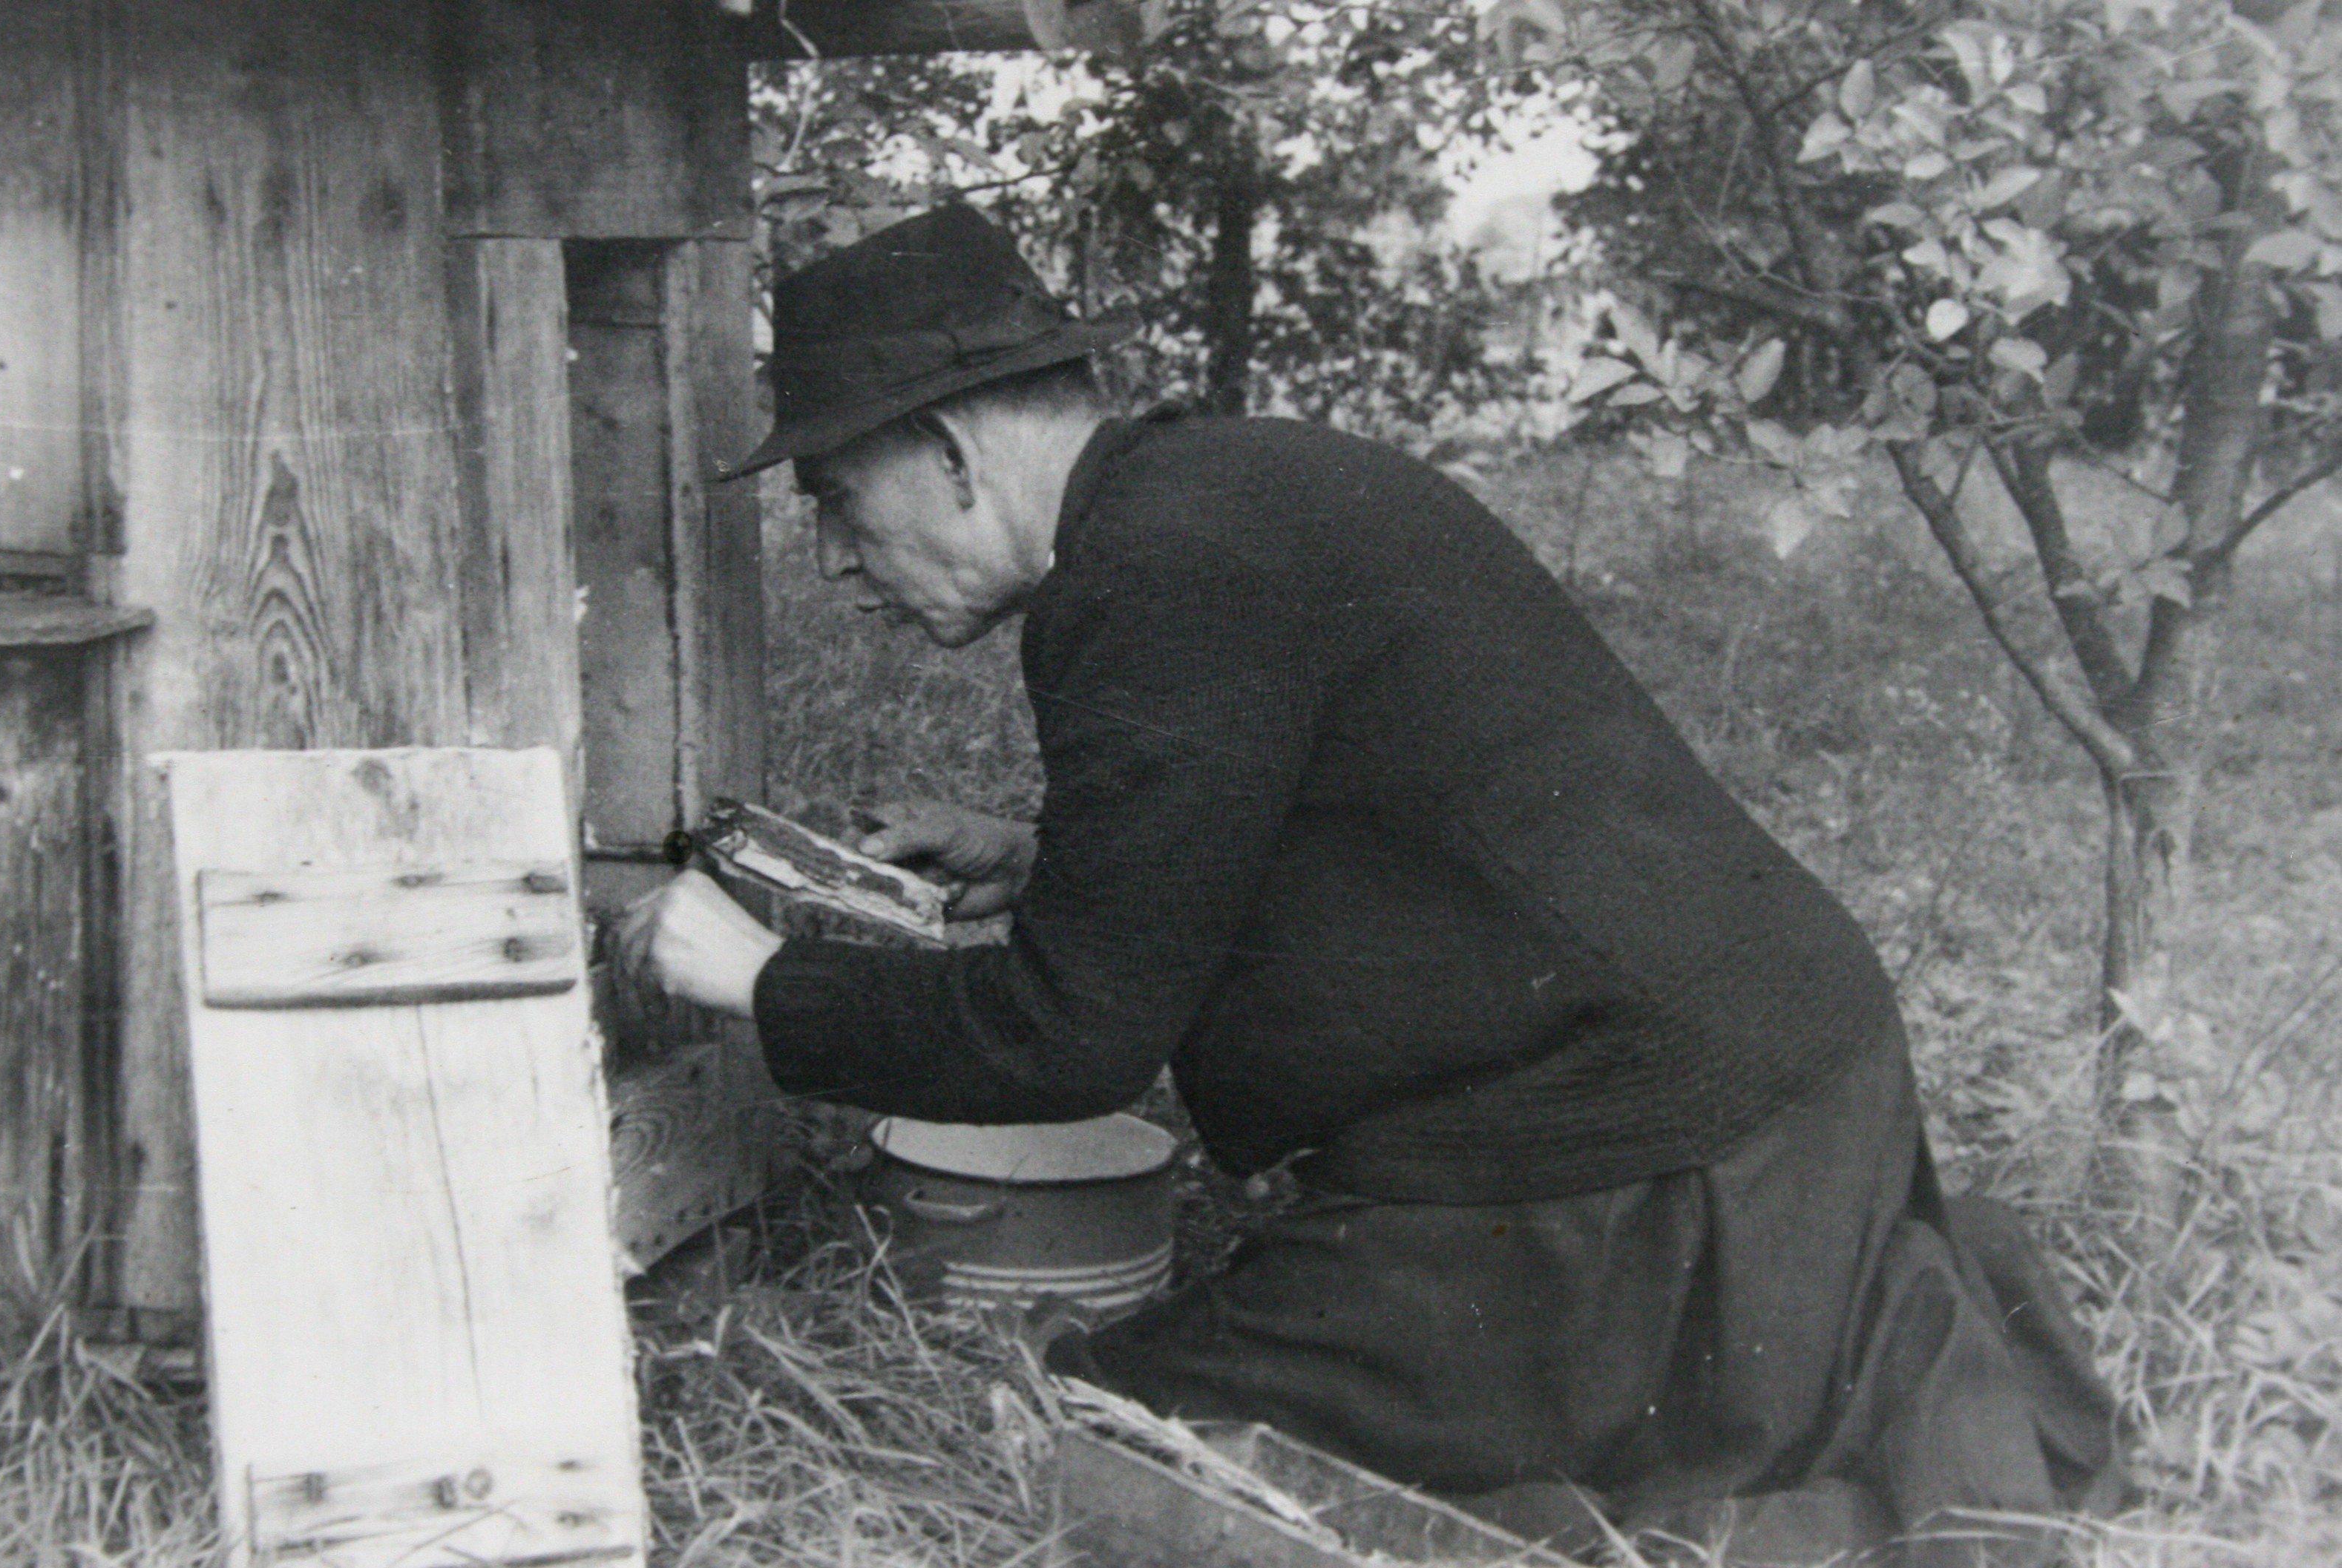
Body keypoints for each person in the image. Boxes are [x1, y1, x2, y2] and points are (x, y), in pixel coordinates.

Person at [623, 203, 2119, 1566]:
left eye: (833, 493)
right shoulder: (1216, 490)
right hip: (1788, 1081)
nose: (830, 557)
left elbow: (1074, 1038)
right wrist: (1039, 856)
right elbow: (1343, 816)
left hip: (1656, 1161)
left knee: (1124, 1430)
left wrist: (757, 980)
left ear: (948, 449)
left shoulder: (1150, 574)